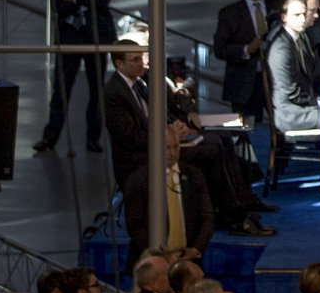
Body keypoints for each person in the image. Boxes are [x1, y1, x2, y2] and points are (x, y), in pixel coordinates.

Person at [106, 37, 276, 249]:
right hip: (140, 156)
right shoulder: (114, 93)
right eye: (135, 60)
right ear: (119, 64)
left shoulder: (140, 83)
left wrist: (176, 126)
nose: (141, 63)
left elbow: (163, 112)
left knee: (220, 139)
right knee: (210, 151)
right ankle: (232, 215)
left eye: (141, 58)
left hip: (160, 143)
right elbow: (129, 138)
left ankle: (241, 202)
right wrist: (168, 136)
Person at [39, 0, 114, 154]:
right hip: (70, 36)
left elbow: (103, 0)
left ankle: (93, 139)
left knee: (96, 91)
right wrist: (84, 0)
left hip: (95, 37)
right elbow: (58, 5)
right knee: (61, 91)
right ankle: (50, 137)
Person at [215, 0, 278, 122]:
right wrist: (247, 49)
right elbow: (220, 49)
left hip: (275, 80)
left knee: (280, 127)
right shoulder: (230, 13)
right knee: (248, 131)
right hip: (244, 83)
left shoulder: (278, 7)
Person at [263, 0, 320, 139]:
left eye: (304, 14)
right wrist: (319, 103)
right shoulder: (281, 47)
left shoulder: (298, 39)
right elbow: (289, 92)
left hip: (301, 108)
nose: (303, 19)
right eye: (297, 15)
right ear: (284, 17)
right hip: (290, 114)